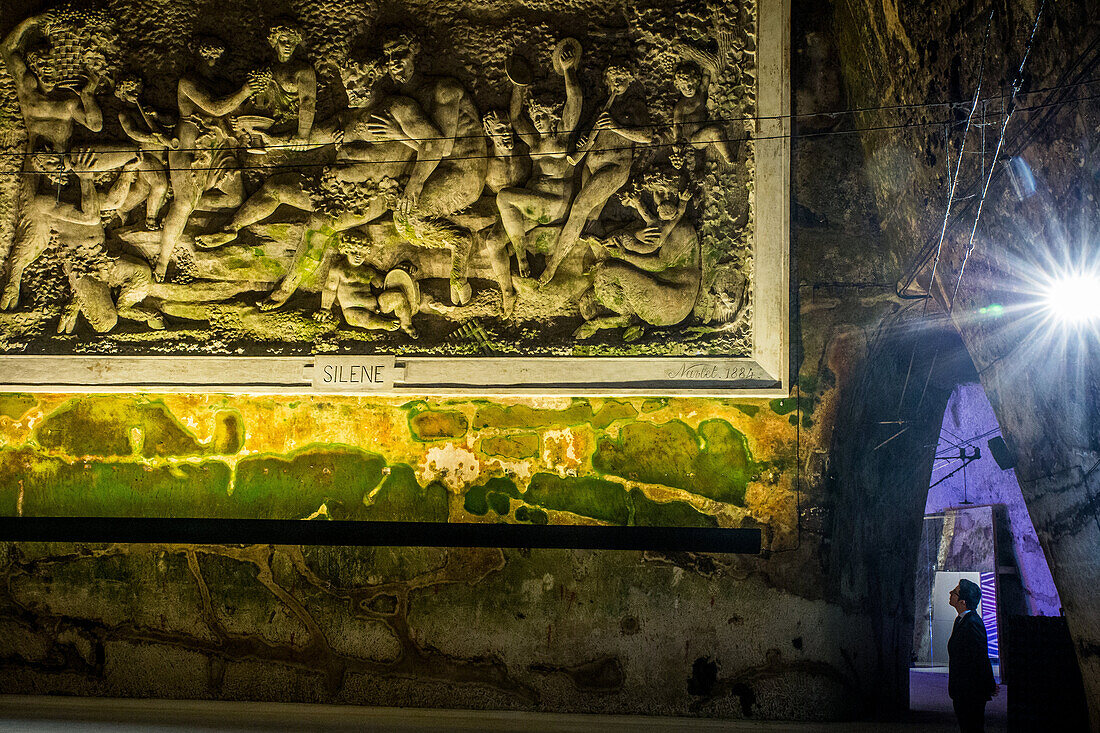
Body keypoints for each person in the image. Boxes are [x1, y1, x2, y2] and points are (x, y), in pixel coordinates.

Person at [947, 579, 998, 733]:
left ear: (962, 601)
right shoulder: (962, 620)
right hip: (964, 689)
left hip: (970, 691)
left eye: (954, 592)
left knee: (972, 727)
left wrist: (989, 684)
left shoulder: (972, 623)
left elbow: (980, 655)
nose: (950, 593)